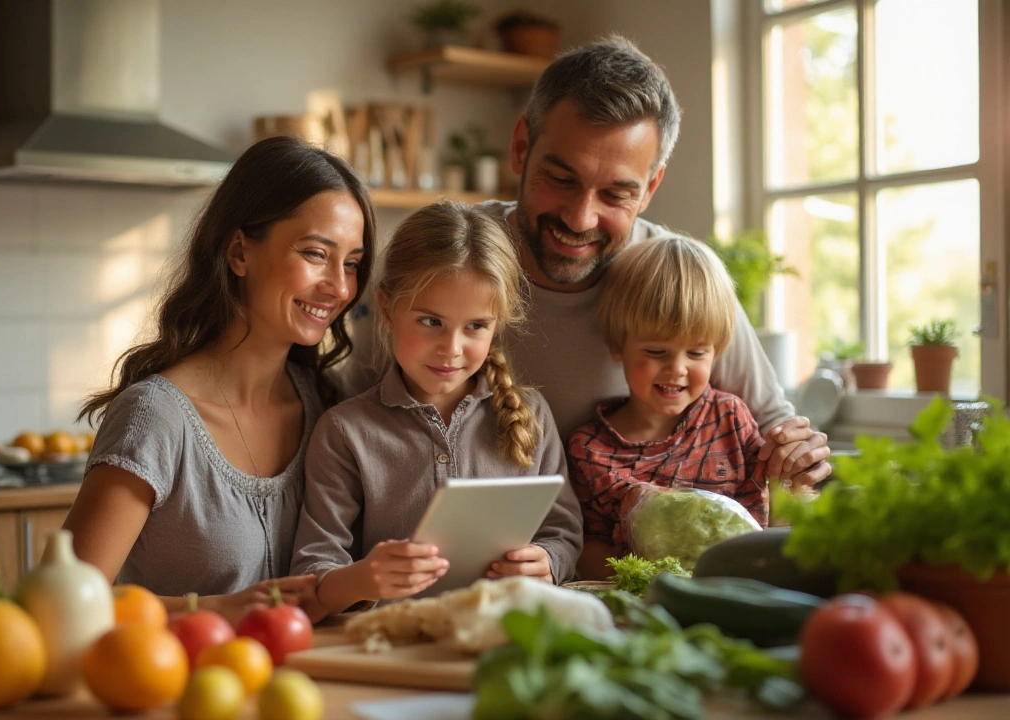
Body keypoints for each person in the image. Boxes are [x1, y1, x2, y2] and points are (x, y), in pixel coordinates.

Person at [335, 35, 831, 501]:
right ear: (521, 148)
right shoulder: (452, 257)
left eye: (616, 194)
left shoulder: (672, 277)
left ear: (651, 187)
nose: (580, 217)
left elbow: (774, 428)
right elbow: (344, 410)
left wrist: (797, 456)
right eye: (561, 177)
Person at [62, 135, 376, 623]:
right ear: (238, 253)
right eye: (316, 254)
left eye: (352, 264)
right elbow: (63, 599)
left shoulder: (330, 407)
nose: (339, 287)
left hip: (310, 692)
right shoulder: (156, 417)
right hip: (180, 691)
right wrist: (213, 610)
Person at [291, 201, 583, 614]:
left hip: (500, 637)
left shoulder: (530, 414)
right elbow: (312, 570)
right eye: (431, 322)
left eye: (476, 327)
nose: (451, 349)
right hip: (392, 648)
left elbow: (564, 534)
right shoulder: (345, 431)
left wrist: (548, 563)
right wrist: (364, 577)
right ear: (389, 309)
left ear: (497, 323)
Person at [567, 234, 769, 576]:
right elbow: (588, 547)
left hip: (736, 591)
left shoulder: (730, 418)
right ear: (619, 346)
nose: (677, 369)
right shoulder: (589, 450)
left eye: (696, 353)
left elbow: (763, 517)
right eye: (657, 352)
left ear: (717, 351)